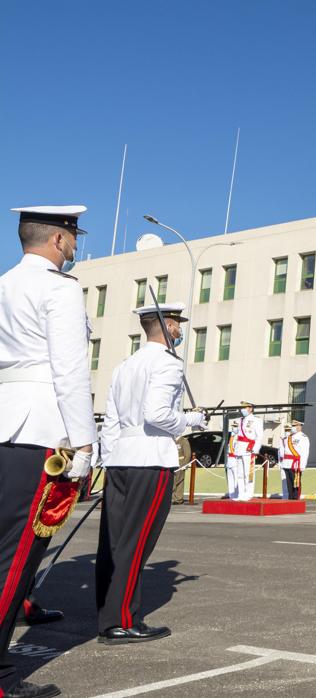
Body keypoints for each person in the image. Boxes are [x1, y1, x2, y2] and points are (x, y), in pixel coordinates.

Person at [0, 205, 96, 698]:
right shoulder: (59, 288)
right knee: (15, 559)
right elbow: (71, 371)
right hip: (40, 428)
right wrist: (84, 441)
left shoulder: (4, 283)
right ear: (59, 240)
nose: (76, 244)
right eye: (74, 236)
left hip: (5, 421)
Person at [96, 301, 206, 645]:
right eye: (177, 324)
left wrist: (108, 460)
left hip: (120, 459)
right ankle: (123, 620)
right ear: (168, 326)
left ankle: (108, 614)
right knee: (136, 542)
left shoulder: (125, 365)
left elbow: (111, 422)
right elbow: (158, 414)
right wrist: (191, 420)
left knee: (113, 543)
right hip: (150, 458)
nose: (180, 330)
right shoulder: (168, 364)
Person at [226, 402, 263, 501]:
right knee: (240, 474)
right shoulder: (240, 420)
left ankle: (248, 493)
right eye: (241, 408)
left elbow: (259, 436)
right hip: (239, 448)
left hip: (249, 449)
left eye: (244, 408)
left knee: (248, 473)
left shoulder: (256, 420)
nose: (242, 410)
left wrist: (255, 449)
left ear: (250, 408)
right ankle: (241, 494)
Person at [279, 420, 309, 500]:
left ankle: (295, 499)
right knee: (289, 484)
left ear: (299, 426)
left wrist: (302, 465)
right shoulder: (289, 437)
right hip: (287, 463)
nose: (293, 427)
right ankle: (290, 499)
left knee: (295, 483)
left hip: (296, 464)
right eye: (292, 426)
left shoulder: (303, 437)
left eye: (295, 426)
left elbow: (305, 452)